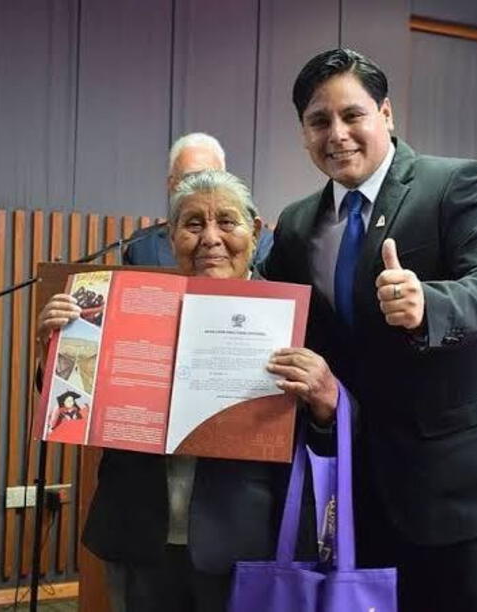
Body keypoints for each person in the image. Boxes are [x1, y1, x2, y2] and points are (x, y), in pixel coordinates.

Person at [259, 48, 477, 611]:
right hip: (375, 488)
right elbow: (275, 317)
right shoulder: (299, 223)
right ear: (303, 132)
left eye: (353, 115)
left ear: (387, 114)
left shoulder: (458, 183)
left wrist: (431, 302)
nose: (338, 134)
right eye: (318, 121)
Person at [36, 170, 338, 612]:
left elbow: (325, 435)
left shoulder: (294, 315)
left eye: (227, 222)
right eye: (193, 224)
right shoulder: (125, 306)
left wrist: (325, 402)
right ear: (171, 235)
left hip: (246, 540)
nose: (210, 238)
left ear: (254, 232)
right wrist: (59, 349)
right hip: (138, 532)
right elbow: (75, 407)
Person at [124, 132, 273, 267]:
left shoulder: (266, 245)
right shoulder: (142, 247)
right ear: (171, 185)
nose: (211, 239)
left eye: (211, 177)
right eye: (190, 179)